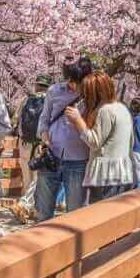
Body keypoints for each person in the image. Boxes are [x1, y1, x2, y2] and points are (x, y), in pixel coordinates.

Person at [35, 56, 93, 220]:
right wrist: (44, 138)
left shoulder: (92, 98)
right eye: (69, 79)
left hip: (78, 162)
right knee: (43, 212)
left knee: (75, 214)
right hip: (51, 157)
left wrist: (78, 120)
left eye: (76, 80)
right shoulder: (54, 91)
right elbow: (44, 119)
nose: (71, 84)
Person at [64, 71, 134, 203]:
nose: (85, 97)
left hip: (105, 176)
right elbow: (131, 142)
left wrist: (78, 121)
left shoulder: (105, 110)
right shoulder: (122, 108)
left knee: (101, 217)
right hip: (122, 173)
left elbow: (95, 142)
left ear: (97, 93)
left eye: (88, 93)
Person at [16, 74, 52, 213]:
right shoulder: (50, 101)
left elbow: (17, 119)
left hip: (24, 143)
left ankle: (26, 208)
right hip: (40, 144)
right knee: (38, 177)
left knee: (27, 177)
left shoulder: (26, 100)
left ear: (36, 85)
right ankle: (28, 206)